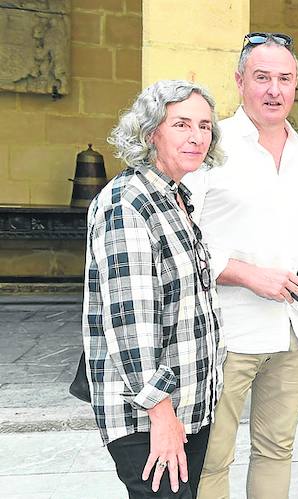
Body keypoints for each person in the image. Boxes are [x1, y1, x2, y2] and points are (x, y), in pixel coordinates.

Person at [181, 33, 298, 499]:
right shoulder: (211, 145)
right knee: (213, 456)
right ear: (239, 81)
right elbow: (182, 242)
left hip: (295, 330)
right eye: (262, 77)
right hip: (228, 331)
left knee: (277, 448)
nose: (274, 90)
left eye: (284, 79)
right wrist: (248, 274)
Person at [83, 79, 225, 498]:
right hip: (149, 415)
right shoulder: (128, 203)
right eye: (181, 124)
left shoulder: (176, 197)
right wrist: (162, 416)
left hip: (188, 405)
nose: (197, 136)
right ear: (150, 133)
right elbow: (131, 324)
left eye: (204, 125)